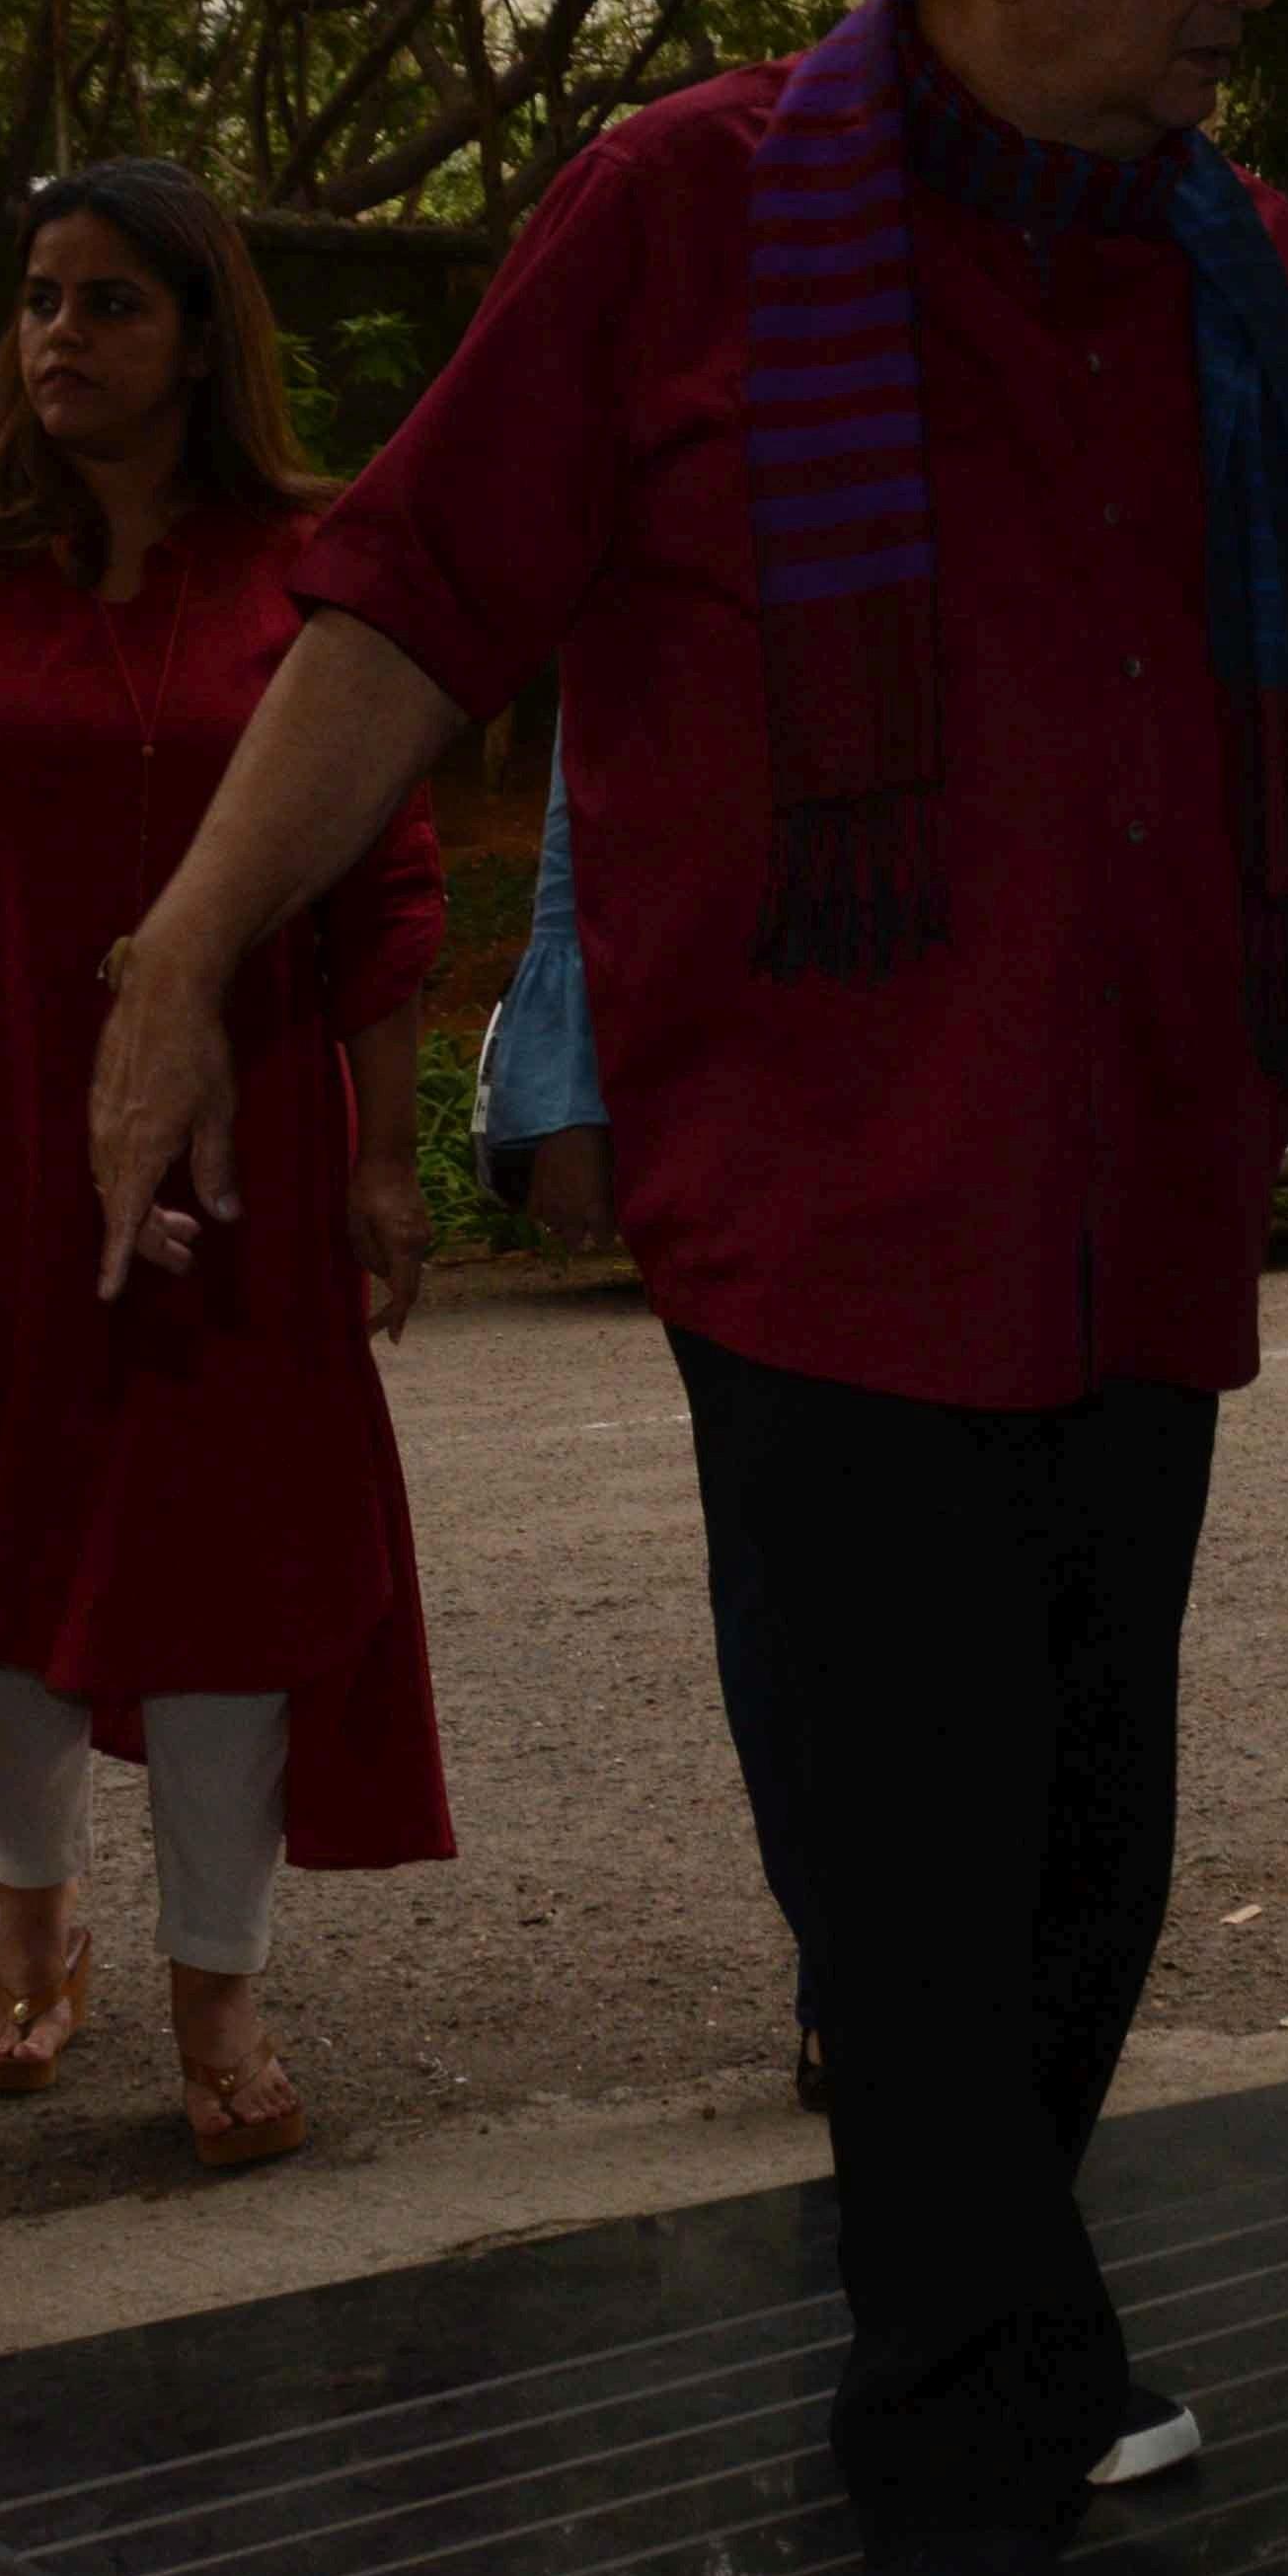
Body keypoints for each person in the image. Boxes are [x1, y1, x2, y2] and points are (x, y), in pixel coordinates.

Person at [86, 0, 1288, 2576]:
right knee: (907, 1865)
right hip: (819, 1190)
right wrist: (173, 957)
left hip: (1139, 1173)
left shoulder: (1242, 263)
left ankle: (1024, 2322)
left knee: (1094, 1839)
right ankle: (944, 2454)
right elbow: (402, 620)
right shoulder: (684, 221)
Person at [0, 160, 452, 2172]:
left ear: (202, 335)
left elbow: (384, 888)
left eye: (112, 303)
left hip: (246, 1146)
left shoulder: (314, 564)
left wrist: (387, 1162)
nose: (60, 335)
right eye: (39, 298)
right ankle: (31, 1932)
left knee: (224, 1568)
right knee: (7, 1557)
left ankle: (217, 1985)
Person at [479, 755, 830, 2108]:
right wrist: (564, 1092)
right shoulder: (663, 545)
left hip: (979, 1082)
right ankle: (850, 1971)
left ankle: (993, 1948)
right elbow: (593, 806)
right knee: (783, 1557)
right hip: (734, 1113)